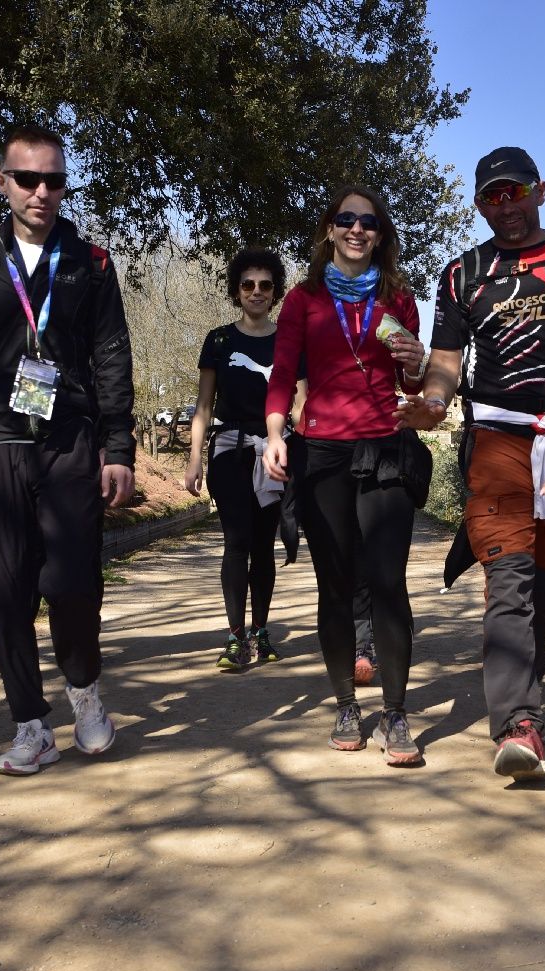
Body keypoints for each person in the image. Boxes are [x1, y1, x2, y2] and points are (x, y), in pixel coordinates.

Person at [418, 146, 545, 780]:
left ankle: (526, 702)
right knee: (507, 579)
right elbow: (445, 364)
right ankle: (518, 725)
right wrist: (432, 403)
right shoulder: (463, 273)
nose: (505, 205)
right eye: (492, 197)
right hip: (497, 443)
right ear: (480, 206)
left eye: (515, 191)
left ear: (541, 190)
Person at [0, 123, 136, 776]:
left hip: (69, 441)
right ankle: (30, 725)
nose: (42, 191)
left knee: (72, 581)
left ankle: (84, 691)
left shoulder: (91, 263)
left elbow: (112, 357)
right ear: (3, 182)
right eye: (28, 178)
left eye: (54, 180)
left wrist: (118, 448)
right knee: (6, 590)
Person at [262, 184, 432, 765]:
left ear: (380, 236)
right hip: (322, 454)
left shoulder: (399, 298)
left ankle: (395, 714)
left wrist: (416, 364)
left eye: (369, 222)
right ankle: (345, 706)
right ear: (330, 229)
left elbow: (412, 385)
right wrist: (276, 435)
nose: (357, 229)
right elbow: (282, 373)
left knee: (388, 582)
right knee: (334, 585)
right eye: (346, 219)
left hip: (385, 447)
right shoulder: (302, 299)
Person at [183, 247, 290, 671]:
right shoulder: (219, 340)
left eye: (265, 285)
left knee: (263, 545)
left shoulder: (289, 340)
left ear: (275, 291)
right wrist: (195, 458)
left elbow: (300, 400)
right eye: (248, 284)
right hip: (229, 451)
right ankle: (235, 637)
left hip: (273, 452)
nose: (256, 291)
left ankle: (260, 632)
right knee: (236, 541)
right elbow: (204, 405)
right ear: (237, 290)